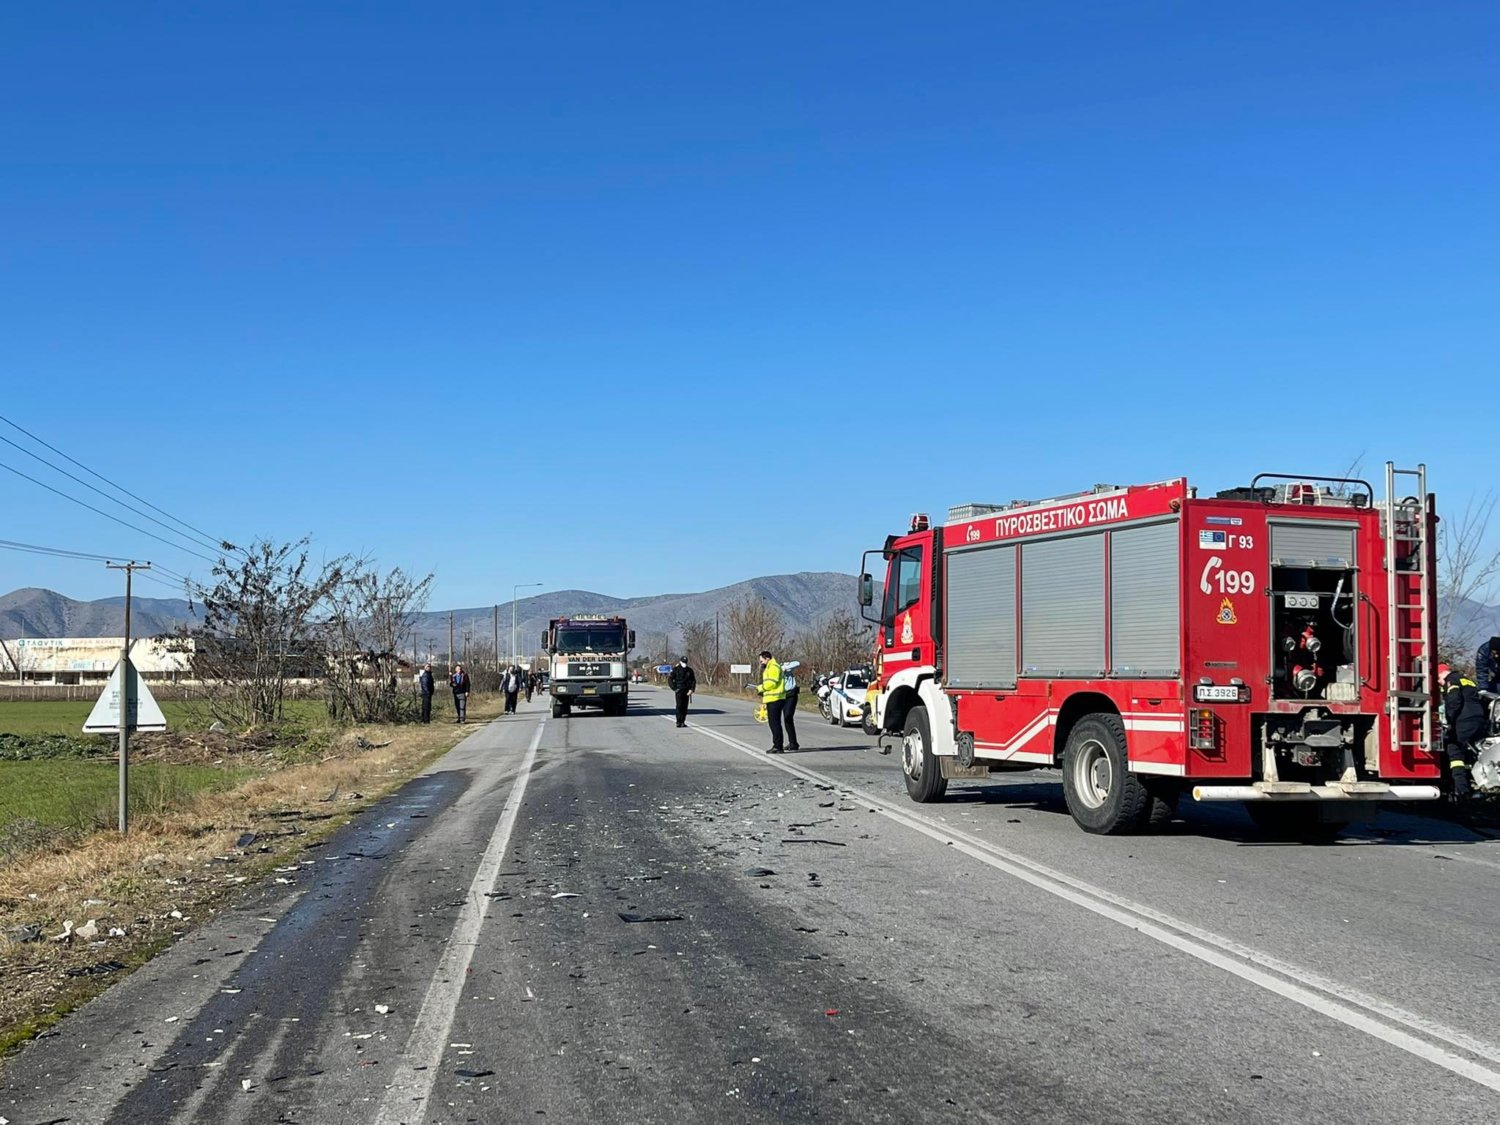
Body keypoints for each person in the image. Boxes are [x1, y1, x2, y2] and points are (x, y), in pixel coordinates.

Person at [1440, 663, 1484, 800]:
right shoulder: (1467, 679)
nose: (1439, 683)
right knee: (1471, 753)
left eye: (1438, 679)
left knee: (1454, 751)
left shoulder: (1451, 680)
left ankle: (1462, 791)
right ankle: (1476, 785)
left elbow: (1454, 700)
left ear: (1442, 674)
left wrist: (1449, 720)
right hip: (1478, 719)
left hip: (1463, 721)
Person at [752, 648, 787, 753]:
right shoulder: (770, 667)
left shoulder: (773, 667)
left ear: (767, 658)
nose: (761, 663)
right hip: (773, 698)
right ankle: (777, 745)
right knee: (774, 723)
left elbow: (771, 683)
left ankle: (778, 746)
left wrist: (761, 688)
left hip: (775, 699)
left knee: (774, 723)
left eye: (761, 660)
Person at [668, 657, 697, 727]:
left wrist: (692, 690)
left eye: (686, 662)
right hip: (679, 690)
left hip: (687, 691)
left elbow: (693, 681)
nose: (685, 663)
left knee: (685, 707)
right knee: (679, 706)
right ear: (680, 662)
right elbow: (670, 679)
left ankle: (683, 722)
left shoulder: (689, 670)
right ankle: (678, 721)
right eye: (683, 662)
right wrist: (674, 688)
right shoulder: (676, 670)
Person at [780, 660, 801, 752]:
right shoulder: (773, 671)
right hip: (781, 695)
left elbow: (797, 663)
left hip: (791, 694)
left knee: (788, 716)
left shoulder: (786, 667)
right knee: (786, 719)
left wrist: (785, 667)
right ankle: (793, 743)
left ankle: (793, 742)